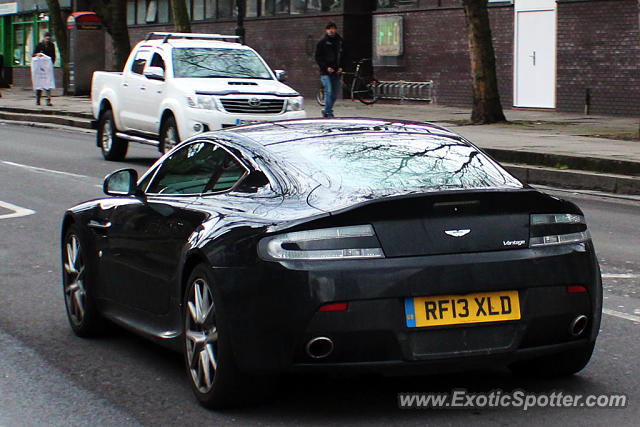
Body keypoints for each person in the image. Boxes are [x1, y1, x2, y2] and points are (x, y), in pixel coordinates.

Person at [315, 22, 344, 118]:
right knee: (329, 91)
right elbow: (318, 57)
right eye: (329, 29)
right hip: (325, 73)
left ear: (336, 29)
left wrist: (341, 67)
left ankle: (326, 110)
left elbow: (344, 56)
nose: (331, 31)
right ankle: (328, 112)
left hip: (336, 72)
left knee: (335, 93)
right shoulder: (322, 43)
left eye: (333, 28)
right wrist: (326, 67)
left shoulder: (340, 42)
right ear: (326, 30)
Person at [32, 32, 56, 106]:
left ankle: (48, 100)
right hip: (40, 67)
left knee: (47, 83)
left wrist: (51, 63)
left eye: (49, 37)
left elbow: (53, 55)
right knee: (39, 83)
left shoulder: (52, 45)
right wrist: (38, 55)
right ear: (44, 37)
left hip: (47, 67)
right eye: (46, 37)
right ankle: (38, 99)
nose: (48, 38)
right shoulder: (39, 45)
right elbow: (33, 55)